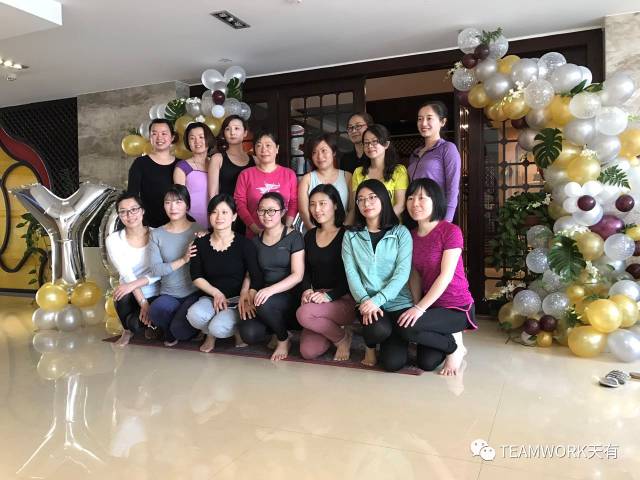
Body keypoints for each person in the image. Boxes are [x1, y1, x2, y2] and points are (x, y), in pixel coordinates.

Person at [400, 178, 476, 375]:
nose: (415, 203)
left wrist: (419, 309)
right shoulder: (410, 235)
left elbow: (446, 276)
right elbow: (415, 274)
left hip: (456, 306)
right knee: (426, 363)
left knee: (408, 328)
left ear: (436, 201)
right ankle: (453, 342)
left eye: (422, 198)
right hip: (432, 306)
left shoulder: (450, 231)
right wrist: (417, 304)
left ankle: (455, 348)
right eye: (410, 198)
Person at [342, 179, 413, 369]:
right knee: (378, 330)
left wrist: (378, 300)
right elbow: (351, 273)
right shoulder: (350, 235)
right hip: (366, 301)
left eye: (372, 197)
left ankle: (392, 337)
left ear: (384, 199)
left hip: (398, 302)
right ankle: (371, 346)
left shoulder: (401, 233)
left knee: (393, 364)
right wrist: (366, 301)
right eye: (361, 199)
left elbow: (402, 273)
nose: (366, 203)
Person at [186, 194, 262, 352]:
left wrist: (245, 294)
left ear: (234, 216)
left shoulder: (245, 244)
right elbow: (196, 276)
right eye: (214, 212)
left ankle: (230, 331)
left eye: (224, 212)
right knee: (193, 315)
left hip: (236, 301)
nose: (219, 216)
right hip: (210, 298)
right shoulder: (200, 243)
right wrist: (216, 293)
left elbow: (255, 275)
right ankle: (210, 334)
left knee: (218, 327)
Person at [238, 192, 304, 361]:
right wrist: (245, 292)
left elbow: (297, 275)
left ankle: (283, 339)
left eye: (272, 210)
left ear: (282, 212)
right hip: (262, 295)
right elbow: (250, 273)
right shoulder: (255, 241)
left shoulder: (294, 237)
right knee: (249, 333)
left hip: (288, 294)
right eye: (262, 210)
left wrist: (269, 291)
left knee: (264, 302)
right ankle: (276, 329)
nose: (266, 215)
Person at [296, 184, 354, 360]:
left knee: (304, 314)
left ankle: (342, 338)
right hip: (317, 300)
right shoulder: (309, 235)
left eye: (322, 203)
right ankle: (333, 330)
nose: (317, 209)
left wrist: (329, 296)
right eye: (312, 204)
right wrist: (307, 289)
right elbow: (305, 269)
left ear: (335, 205)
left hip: (343, 299)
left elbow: (352, 276)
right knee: (308, 352)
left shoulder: (348, 235)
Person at [148, 185, 203, 347]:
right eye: (168, 202)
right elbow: (156, 269)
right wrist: (184, 259)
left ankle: (175, 329)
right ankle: (173, 327)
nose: (173, 207)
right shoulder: (156, 234)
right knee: (156, 310)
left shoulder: (199, 230)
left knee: (179, 331)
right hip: (169, 294)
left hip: (193, 293)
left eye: (178, 202)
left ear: (187, 205)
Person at [106, 192, 160, 346]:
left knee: (135, 324)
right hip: (130, 293)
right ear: (119, 215)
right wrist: (143, 303)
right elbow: (127, 274)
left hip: (156, 291)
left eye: (134, 209)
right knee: (121, 294)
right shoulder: (114, 240)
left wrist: (135, 287)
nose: (129, 215)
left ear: (142, 211)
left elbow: (161, 271)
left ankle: (151, 326)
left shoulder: (157, 234)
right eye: (123, 212)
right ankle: (127, 331)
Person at [234, 132, 298, 238]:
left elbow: (294, 202)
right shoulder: (245, 175)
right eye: (259, 145)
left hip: (284, 235)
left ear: (277, 148)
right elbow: (240, 203)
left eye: (268, 145)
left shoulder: (289, 174)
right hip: (254, 235)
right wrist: (255, 229)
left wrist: (285, 228)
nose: (264, 150)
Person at [407, 102, 461, 222]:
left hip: (437, 216)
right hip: (416, 215)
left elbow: (453, 188)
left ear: (442, 122)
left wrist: (446, 221)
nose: (423, 123)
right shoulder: (415, 153)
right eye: (420, 119)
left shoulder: (447, 148)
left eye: (429, 118)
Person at [349, 124, 408, 221]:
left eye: (375, 141)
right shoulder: (358, 172)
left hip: (391, 225)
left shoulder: (399, 171)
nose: (370, 146)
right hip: (367, 226)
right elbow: (357, 204)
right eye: (366, 143)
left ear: (386, 144)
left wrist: (380, 222)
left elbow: (400, 205)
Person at [127, 119, 177, 227]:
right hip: (149, 225)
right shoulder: (140, 163)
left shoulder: (181, 164)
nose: (159, 137)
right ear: (150, 138)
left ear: (172, 137)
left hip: (177, 225)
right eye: (154, 134)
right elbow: (132, 196)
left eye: (164, 133)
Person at [297, 133, 352, 231]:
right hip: (315, 233)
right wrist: (315, 233)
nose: (319, 156)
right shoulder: (307, 179)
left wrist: (344, 232)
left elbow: (353, 209)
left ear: (334, 152)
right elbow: (303, 212)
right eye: (314, 152)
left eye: (323, 151)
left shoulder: (347, 176)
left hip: (344, 232)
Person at [173, 122, 214, 226]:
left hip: (217, 220)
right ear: (188, 142)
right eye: (192, 138)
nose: (197, 141)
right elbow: (179, 200)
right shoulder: (182, 166)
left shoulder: (216, 164)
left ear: (208, 139)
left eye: (201, 137)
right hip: (191, 222)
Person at [207, 114, 255, 202]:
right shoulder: (217, 158)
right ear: (224, 134)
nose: (232, 133)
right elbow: (213, 195)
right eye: (228, 129)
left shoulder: (255, 160)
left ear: (245, 133)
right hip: (226, 208)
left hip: (251, 209)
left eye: (236, 128)